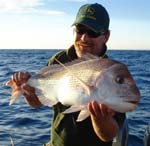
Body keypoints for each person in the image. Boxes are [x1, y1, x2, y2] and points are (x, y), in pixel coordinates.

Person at [12, 3, 127, 146]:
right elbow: (38, 102)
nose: (84, 38)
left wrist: (100, 120)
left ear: (106, 36)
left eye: (93, 32)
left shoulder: (113, 74)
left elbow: (109, 135)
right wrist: (27, 92)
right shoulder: (58, 61)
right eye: (80, 30)